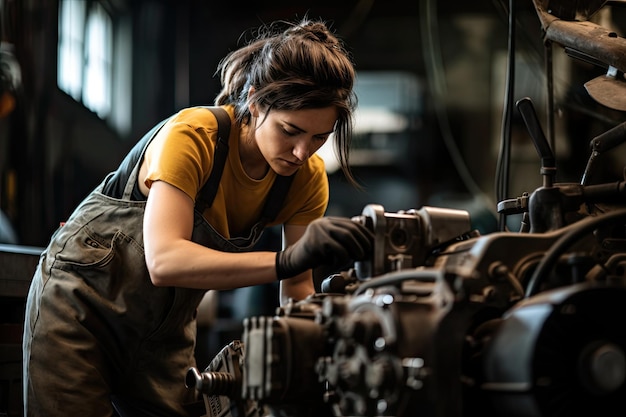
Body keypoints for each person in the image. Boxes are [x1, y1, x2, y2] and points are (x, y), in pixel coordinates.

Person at [22, 17, 373, 417]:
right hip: (80, 310)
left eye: (318, 138)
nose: (301, 152)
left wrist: (326, 347)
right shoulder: (194, 136)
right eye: (290, 130)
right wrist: (284, 260)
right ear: (255, 102)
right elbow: (165, 261)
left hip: (164, 331)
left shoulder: (305, 180)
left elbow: (296, 291)